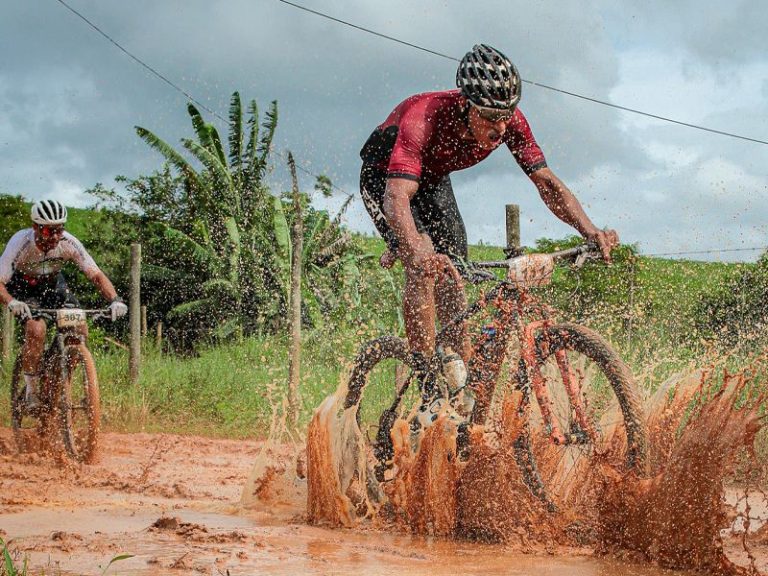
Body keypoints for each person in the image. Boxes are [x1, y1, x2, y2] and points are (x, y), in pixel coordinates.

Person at [359, 44, 619, 426]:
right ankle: (430, 382)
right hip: (387, 180)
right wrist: (414, 250)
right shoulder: (423, 117)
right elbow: (397, 196)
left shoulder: (510, 123)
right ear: (466, 105)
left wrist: (590, 229)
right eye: (491, 117)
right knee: (425, 260)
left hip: (431, 180)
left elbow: (545, 183)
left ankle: (458, 389)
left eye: (507, 115)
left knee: (456, 276)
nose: (500, 128)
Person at [0, 199, 128, 410]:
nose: (56, 237)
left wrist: (115, 300)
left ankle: (59, 384)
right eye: (50, 232)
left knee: (79, 328)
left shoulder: (69, 242)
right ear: (36, 228)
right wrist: (12, 302)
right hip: (24, 288)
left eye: (59, 230)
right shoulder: (19, 242)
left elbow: (95, 274)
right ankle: (31, 392)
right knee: (36, 329)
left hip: (54, 287)